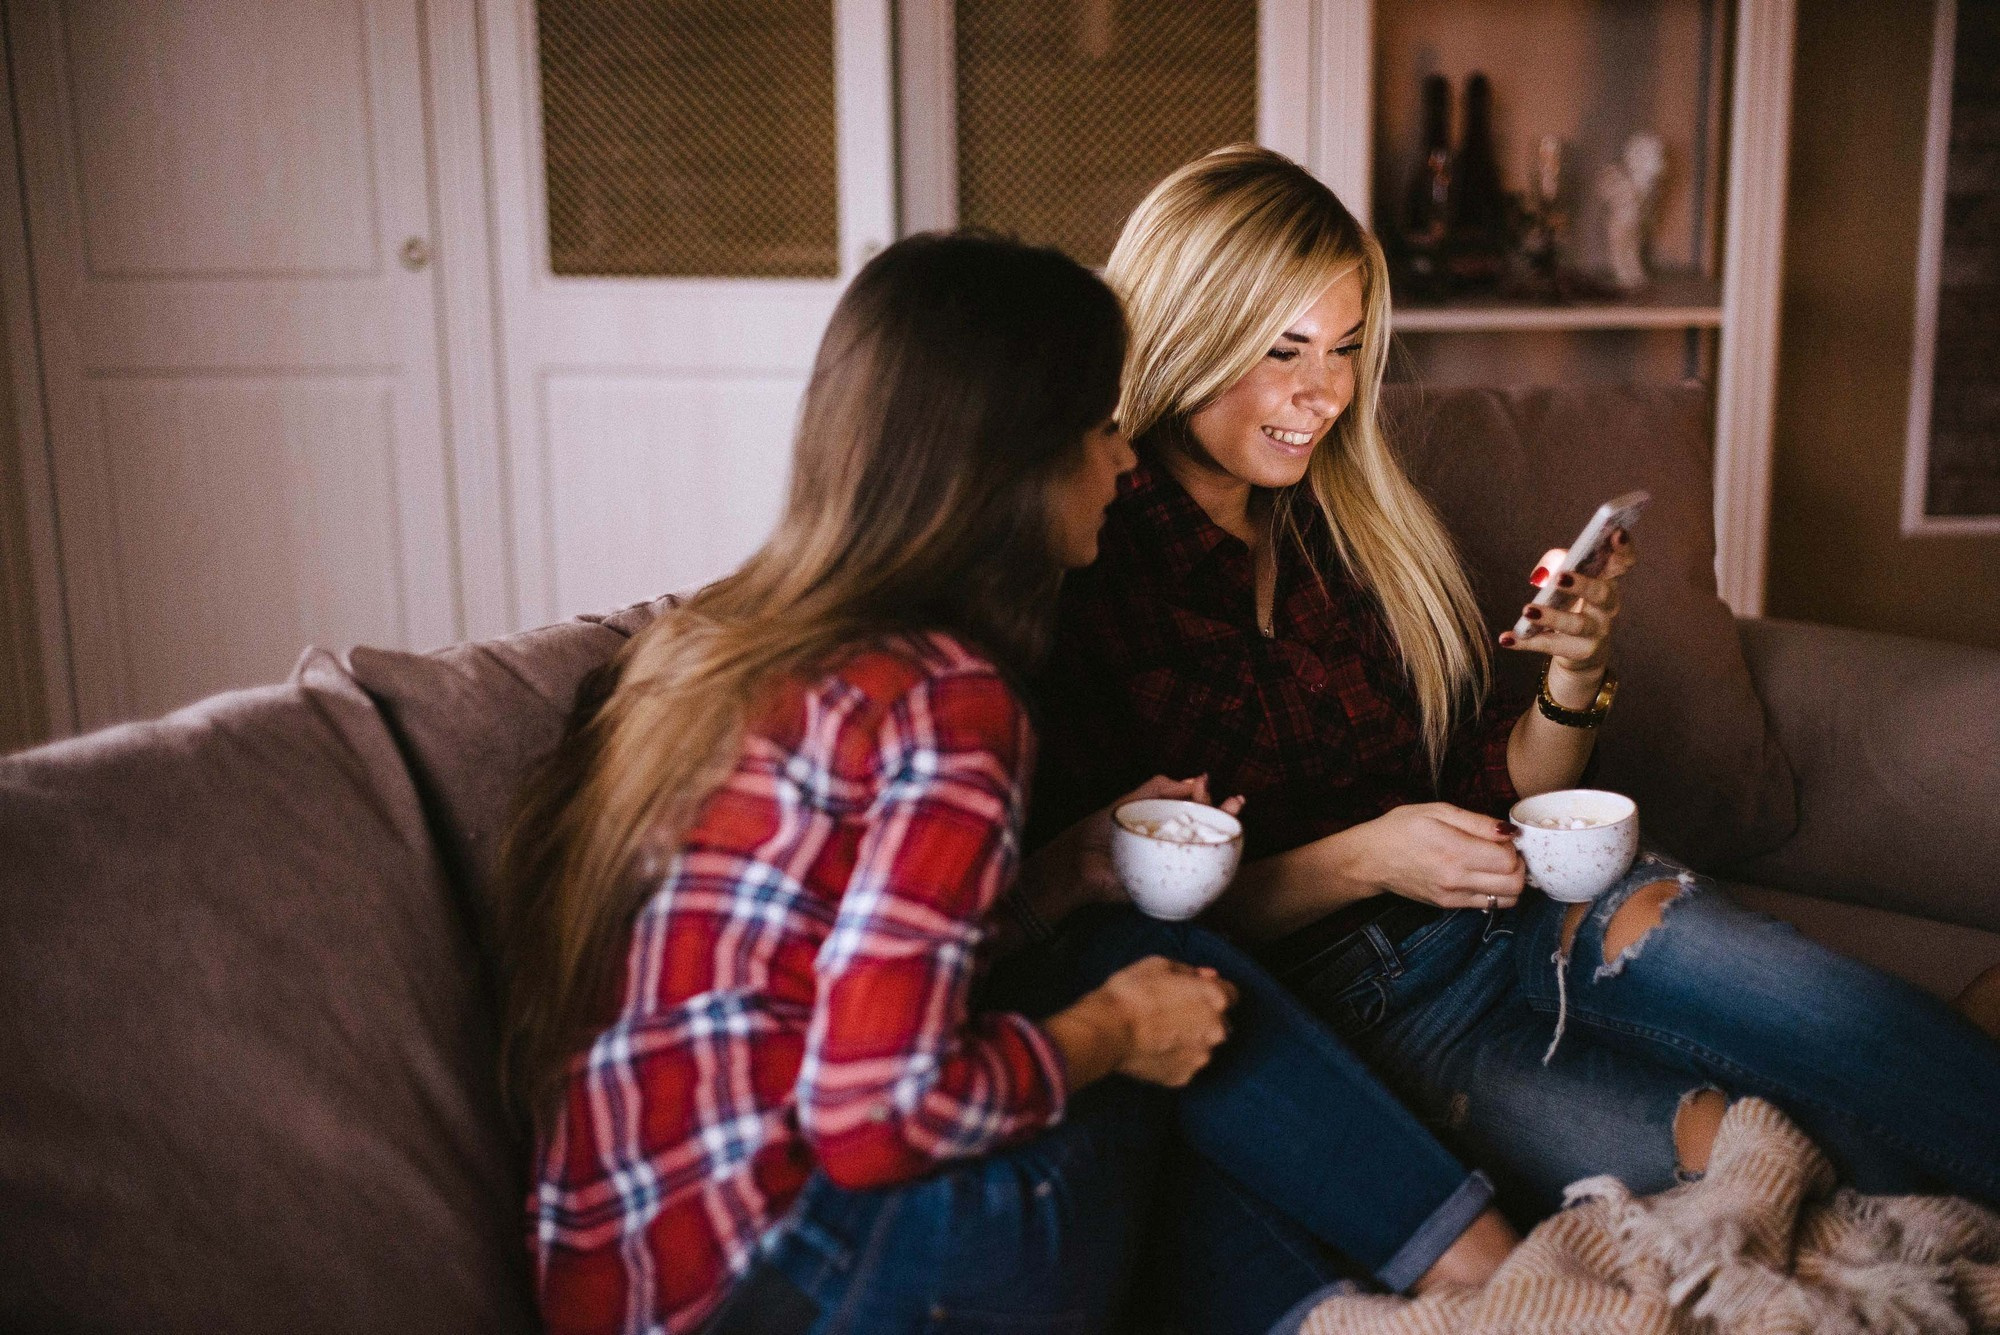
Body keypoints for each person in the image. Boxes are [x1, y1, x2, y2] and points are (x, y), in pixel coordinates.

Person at [495, 232, 1518, 1335]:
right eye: (1101, 424)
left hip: (641, 1292)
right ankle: (1488, 1284)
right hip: (799, 1288)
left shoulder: (720, 647)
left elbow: (832, 1004)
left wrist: (1055, 880)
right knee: (1147, 994)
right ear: (1015, 454)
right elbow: (873, 1109)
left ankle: (1372, 1307)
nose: (1125, 463)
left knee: (1109, 957)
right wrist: (1114, 1033)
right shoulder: (942, 698)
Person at [1033, 145, 2000, 1222]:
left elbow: (1498, 777)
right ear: (1187, 334)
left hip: (1535, 908)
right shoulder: (1090, 562)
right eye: (1282, 350)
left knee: (1852, 1033)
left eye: (1347, 349)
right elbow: (1127, 922)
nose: (1323, 394)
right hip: (1368, 1017)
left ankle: (1956, 1054)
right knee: (1774, 1166)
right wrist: (1360, 860)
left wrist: (1573, 674)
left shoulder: (1349, 531)